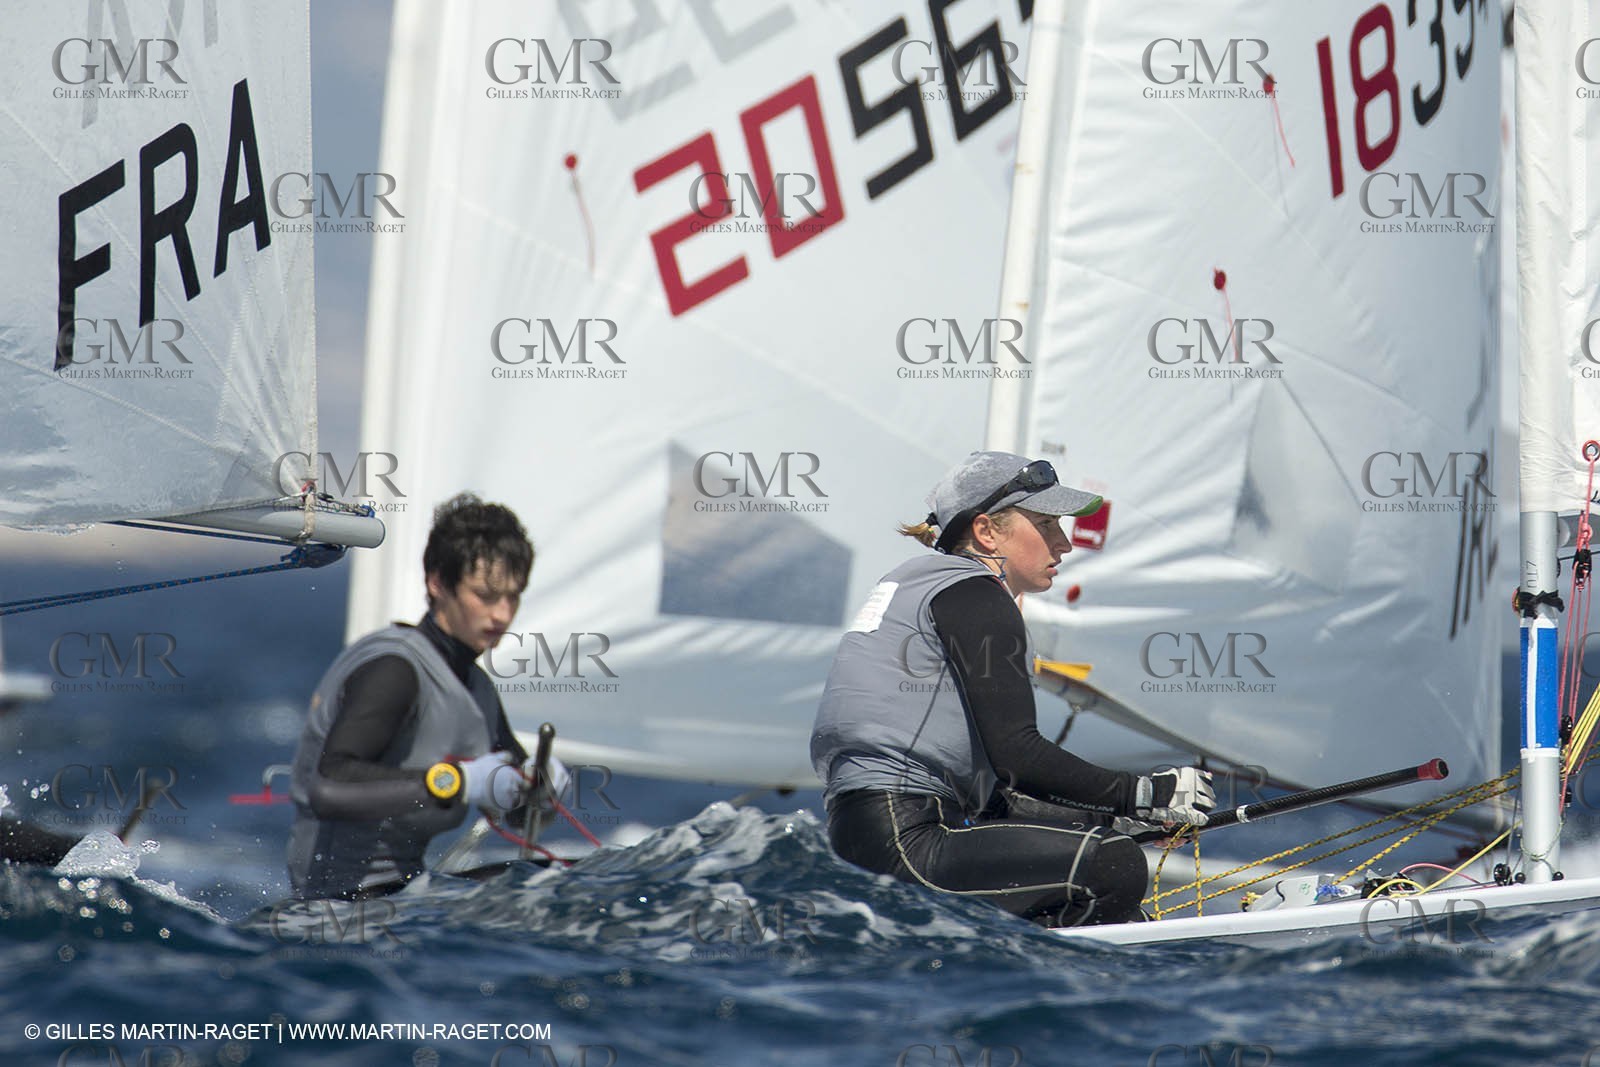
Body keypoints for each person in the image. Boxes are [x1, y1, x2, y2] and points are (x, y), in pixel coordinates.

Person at [810, 451, 1215, 927]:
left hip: (871, 836)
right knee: (1113, 864)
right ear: (986, 532)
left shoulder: (925, 587)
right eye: (1045, 525)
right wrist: (1147, 792)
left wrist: (1109, 817)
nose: (1063, 544)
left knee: (1103, 855)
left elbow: (993, 793)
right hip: (907, 841)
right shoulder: (976, 594)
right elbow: (1017, 756)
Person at [287, 493, 570, 900]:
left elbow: (519, 812)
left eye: (513, 596)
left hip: (403, 897)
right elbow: (328, 788)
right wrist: (456, 782)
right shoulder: (395, 669)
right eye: (486, 596)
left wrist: (541, 790)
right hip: (340, 908)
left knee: (570, 879)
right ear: (437, 583)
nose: (503, 615)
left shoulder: (477, 689)